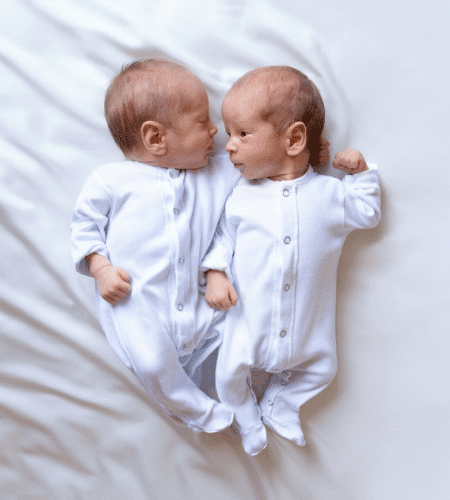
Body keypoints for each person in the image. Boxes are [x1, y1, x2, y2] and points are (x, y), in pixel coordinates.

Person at [202, 66, 381, 455]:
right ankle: (247, 419)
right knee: (228, 374)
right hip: (247, 323)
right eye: (229, 134)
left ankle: (282, 405)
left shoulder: (329, 194)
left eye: (242, 134)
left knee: (324, 370)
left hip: (309, 331)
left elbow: (367, 212)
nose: (229, 146)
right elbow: (222, 237)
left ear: (294, 139)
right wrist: (215, 273)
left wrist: (361, 172)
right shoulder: (242, 197)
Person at [71, 59, 242, 433]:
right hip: (136, 302)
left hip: (203, 307)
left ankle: (245, 394)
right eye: (202, 122)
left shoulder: (215, 171)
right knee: (151, 362)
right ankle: (200, 413)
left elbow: (262, 162)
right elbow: (85, 227)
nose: (215, 130)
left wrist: (308, 153)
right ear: (155, 138)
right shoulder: (112, 180)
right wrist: (100, 269)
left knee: (242, 331)